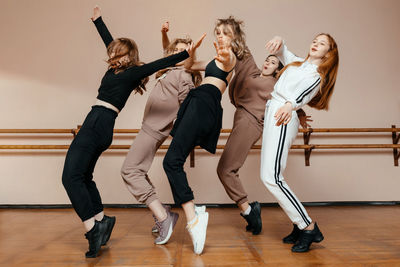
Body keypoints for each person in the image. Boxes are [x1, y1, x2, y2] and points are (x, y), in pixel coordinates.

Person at [61, 6, 200, 258]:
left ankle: (93, 228)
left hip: (99, 121)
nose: (111, 52)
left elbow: (160, 62)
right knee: (82, 176)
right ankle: (101, 221)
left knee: (70, 177)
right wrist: (98, 22)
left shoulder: (132, 72)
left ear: (127, 55)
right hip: (99, 122)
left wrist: (184, 53)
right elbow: (110, 43)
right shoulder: (116, 70)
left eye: (116, 51)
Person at [162, 18, 243, 254]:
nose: (219, 36)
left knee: (171, 161)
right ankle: (193, 215)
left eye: (225, 33)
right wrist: (192, 51)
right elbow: (187, 66)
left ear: (234, 37)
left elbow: (228, 60)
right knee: (173, 162)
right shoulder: (211, 61)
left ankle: (194, 218)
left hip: (203, 103)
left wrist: (226, 52)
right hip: (198, 103)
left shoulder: (229, 58)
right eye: (217, 32)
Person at [120, 20, 204, 245]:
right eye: (175, 51)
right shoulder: (169, 71)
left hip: (154, 130)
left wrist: (181, 134)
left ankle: (163, 216)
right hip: (149, 127)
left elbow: (187, 109)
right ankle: (162, 212)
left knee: (130, 171)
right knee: (137, 170)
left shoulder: (184, 76)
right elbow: (168, 52)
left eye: (183, 52)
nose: (177, 54)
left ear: (190, 57)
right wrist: (163, 33)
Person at [261, 34, 339, 252]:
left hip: (283, 115)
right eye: (314, 40)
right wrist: (279, 40)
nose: (315, 43)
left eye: (321, 43)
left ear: (329, 53)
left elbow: (302, 95)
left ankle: (308, 226)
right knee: (270, 176)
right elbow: (283, 49)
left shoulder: (316, 75)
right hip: (274, 111)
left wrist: (290, 105)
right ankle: (299, 223)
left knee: (271, 177)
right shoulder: (297, 63)